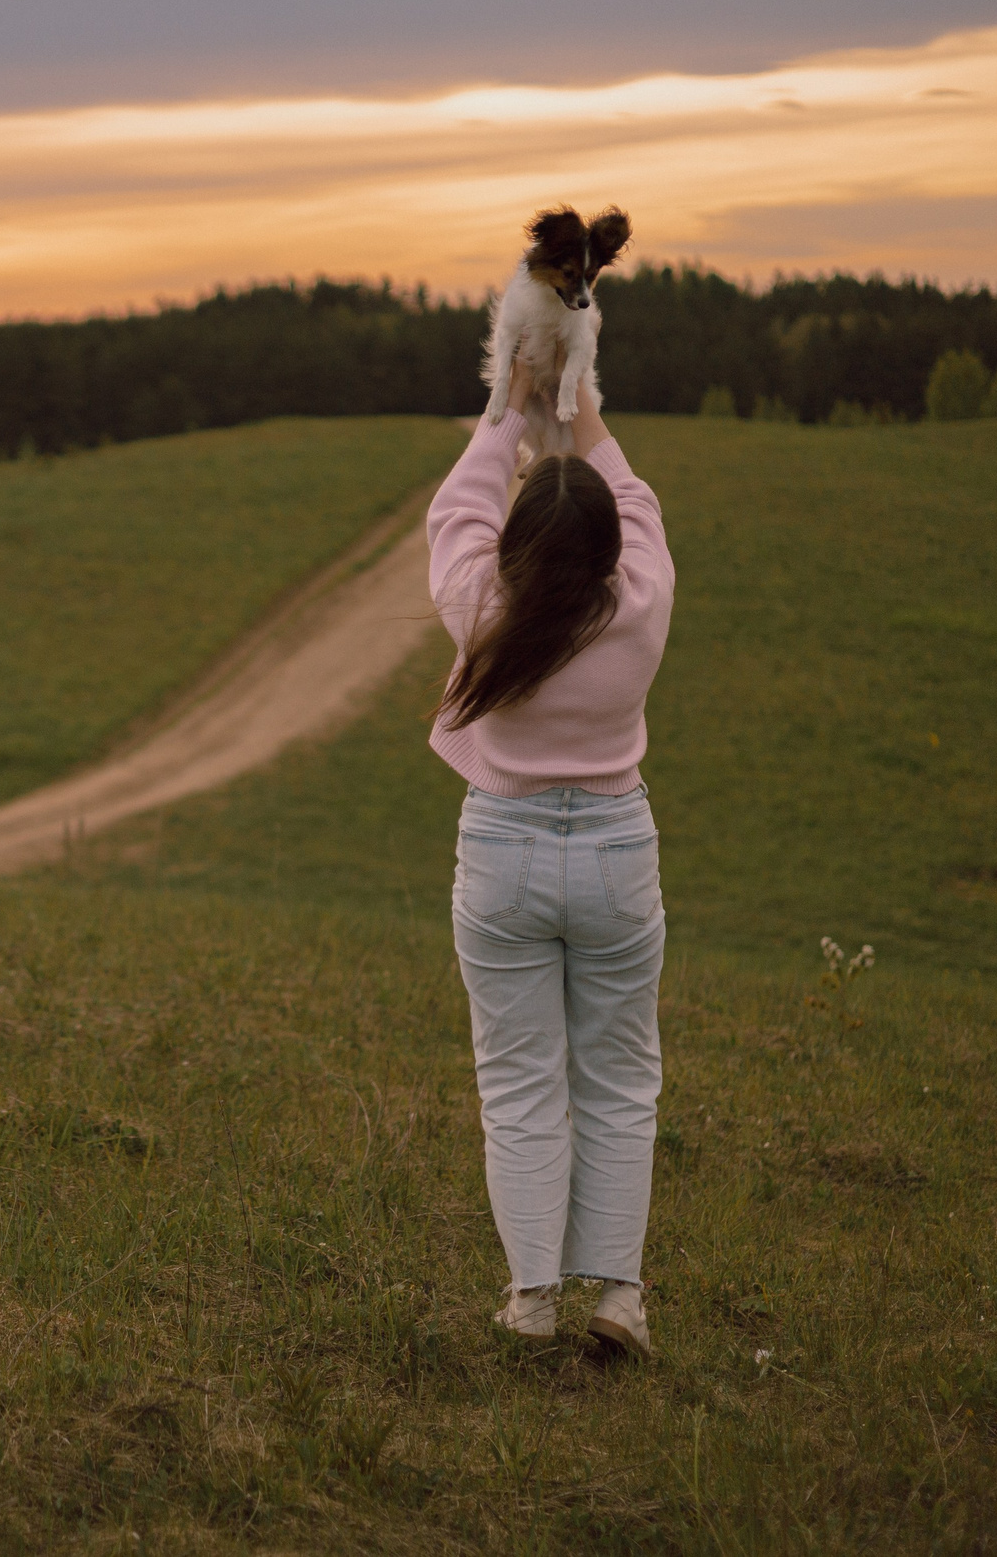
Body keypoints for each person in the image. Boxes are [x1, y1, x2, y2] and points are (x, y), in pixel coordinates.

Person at [426, 352, 674, 1356]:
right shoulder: (642, 600)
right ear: (615, 546)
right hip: (617, 849)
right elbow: (633, 495)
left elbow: (456, 512)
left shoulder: (482, 605)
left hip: (503, 850)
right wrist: (584, 412)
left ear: (513, 544)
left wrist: (510, 410)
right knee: (617, 1079)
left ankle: (530, 1306)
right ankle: (618, 1301)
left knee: (518, 1080)